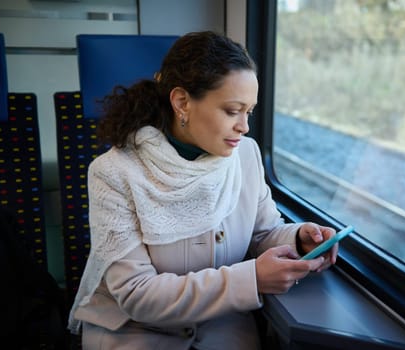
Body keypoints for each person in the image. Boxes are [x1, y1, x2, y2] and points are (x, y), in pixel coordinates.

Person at [69, 31, 339, 350]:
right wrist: (251, 280)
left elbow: (262, 232)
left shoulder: (246, 155)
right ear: (182, 102)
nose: (245, 126)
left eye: (248, 112)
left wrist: (298, 238)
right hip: (136, 334)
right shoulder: (113, 173)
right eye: (231, 111)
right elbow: (135, 294)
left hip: (224, 332)